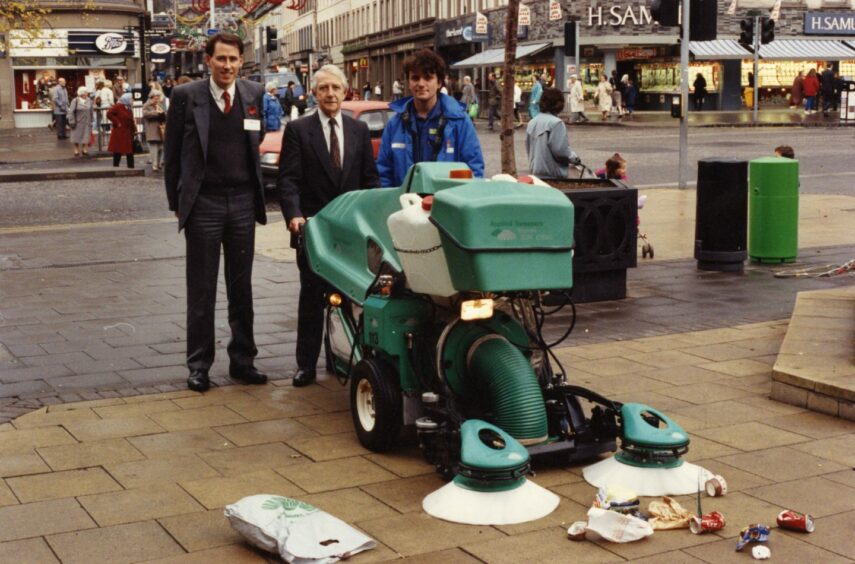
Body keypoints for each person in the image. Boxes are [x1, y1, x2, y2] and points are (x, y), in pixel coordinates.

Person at [163, 32, 269, 392]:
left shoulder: (254, 94)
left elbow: (257, 139)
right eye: (221, 59)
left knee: (242, 289)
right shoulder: (185, 97)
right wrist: (179, 205)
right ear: (208, 60)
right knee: (202, 290)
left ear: (242, 61)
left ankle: (243, 360)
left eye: (233, 59)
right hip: (203, 204)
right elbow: (172, 155)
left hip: (241, 202)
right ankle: (199, 366)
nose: (227, 66)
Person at [277, 64, 380, 388]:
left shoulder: (357, 130)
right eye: (324, 89)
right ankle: (305, 365)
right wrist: (293, 216)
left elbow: (369, 179)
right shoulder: (298, 130)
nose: (330, 94)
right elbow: (288, 181)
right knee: (311, 298)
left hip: (350, 232)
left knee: (350, 295)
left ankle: (341, 358)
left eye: (336, 88)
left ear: (345, 91)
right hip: (314, 231)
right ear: (315, 93)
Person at [377, 49, 485, 187]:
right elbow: (384, 171)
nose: (421, 84)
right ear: (409, 82)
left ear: (439, 82)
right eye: (415, 78)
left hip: (447, 205)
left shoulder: (460, 121)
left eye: (428, 78)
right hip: (404, 205)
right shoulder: (395, 124)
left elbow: (474, 169)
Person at [525, 87, 579, 180]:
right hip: (552, 173)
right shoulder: (556, 123)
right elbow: (561, 151)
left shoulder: (532, 122)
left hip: (535, 172)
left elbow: (528, 147)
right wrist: (574, 158)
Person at [107, 93, 136, 168]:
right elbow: (109, 114)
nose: (132, 100)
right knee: (118, 150)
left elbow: (130, 120)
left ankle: (131, 167)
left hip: (127, 132)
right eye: (131, 98)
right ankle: (116, 166)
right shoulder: (118, 106)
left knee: (129, 150)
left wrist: (134, 130)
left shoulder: (129, 107)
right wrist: (117, 122)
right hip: (119, 132)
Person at [142, 91, 167, 171]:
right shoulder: (147, 105)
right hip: (152, 129)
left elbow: (165, 113)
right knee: (154, 148)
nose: (158, 99)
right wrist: (156, 113)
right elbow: (145, 114)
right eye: (156, 98)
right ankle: (155, 165)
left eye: (158, 98)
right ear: (151, 98)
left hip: (160, 128)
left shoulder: (159, 105)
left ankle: (158, 163)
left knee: (161, 147)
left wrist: (163, 114)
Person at [67, 86, 94, 157]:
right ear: (82, 93)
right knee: (76, 136)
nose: (87, 93)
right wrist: (72, 121)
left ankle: (84, 149)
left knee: (86, 136)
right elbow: (71, 112)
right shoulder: (75, 100)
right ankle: (76, 149)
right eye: (85, 92)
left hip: (86, 122)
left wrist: (92, 120)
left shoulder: (89, 100)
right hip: (77, 122)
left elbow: (91, 111)